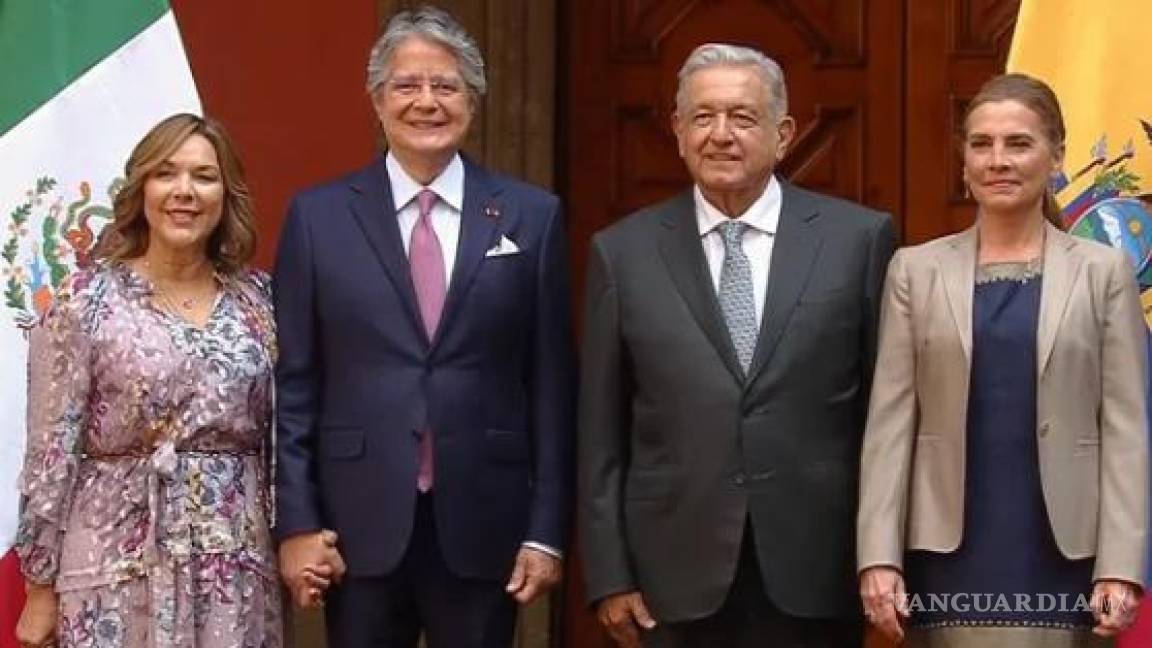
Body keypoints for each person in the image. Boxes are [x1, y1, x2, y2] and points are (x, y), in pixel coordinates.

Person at [272, 6, 575, 648]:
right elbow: (294, 385)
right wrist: (296, 523)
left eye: (447, 85)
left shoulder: (531, 216)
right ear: (377, 98)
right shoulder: (317, 218)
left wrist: (545, 529)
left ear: (473, 100)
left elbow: (550, 384)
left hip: (484, 520)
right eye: (408, 85)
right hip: (355, 526)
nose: (427, 102)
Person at [579, 43, 895, 647]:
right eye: (703, 116)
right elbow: (601, 431)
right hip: (671, 572)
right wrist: (609, 572)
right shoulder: (622, 253)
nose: (720, 134)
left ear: (784, 134)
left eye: (742, 117)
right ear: (677, 130)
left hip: (818, 568)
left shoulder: (858, 240)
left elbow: (884, 419)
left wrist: (882, 556)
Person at [857, 73, 1149, 648]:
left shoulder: (1103, 272)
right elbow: (890, 427)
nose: (999, 160)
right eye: (981, 144)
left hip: (1067, 553)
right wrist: (877, 556)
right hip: (947, 553)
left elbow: (1125, 428)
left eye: (1019, 143)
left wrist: (1122, 563)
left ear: (1056, 155)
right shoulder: (914, 271)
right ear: (963, 161)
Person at [13, 113, 285, 647]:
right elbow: (50, 453)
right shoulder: (84, 302)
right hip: (113, 567)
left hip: (234, 571)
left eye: (204, 177)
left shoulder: (260, 300)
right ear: (141, 189)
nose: (184, 191)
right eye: (166, 173)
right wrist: (39, 585)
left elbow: (285, 435)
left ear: (225, 194)